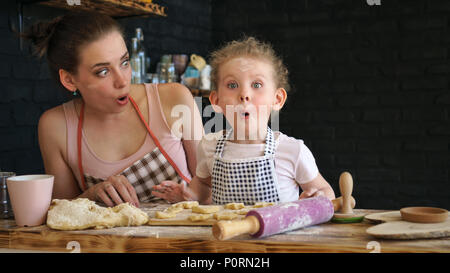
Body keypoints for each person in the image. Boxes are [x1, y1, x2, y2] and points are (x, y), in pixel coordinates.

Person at [22, 12, 203, 207]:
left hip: (186, 237)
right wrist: (90, 196)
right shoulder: (56, 126)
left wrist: (192, 196)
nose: (123, 80)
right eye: (103, 72)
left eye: (125, 62)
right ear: (69, 79)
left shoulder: (174, 99)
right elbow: (61, 216)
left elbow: (213, 192)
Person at [152, 36, 335, 205]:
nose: (244, 95)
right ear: (216, 101)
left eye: (256, 85)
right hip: (224, 239)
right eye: (232, 85)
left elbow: (326, 192)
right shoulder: (209, 147)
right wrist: (187, 196)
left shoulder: (293, 151)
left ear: (277, 99)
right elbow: (203, 188)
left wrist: (318, 198)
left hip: (277, 241)